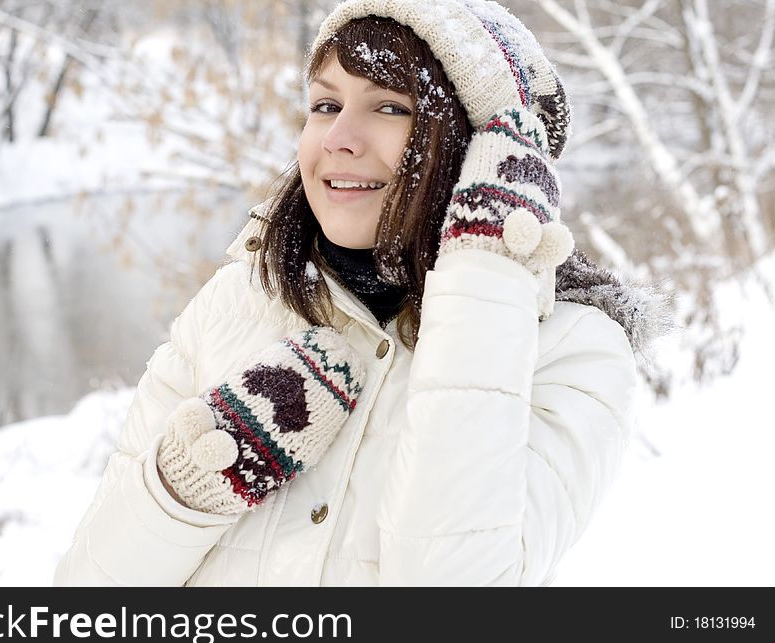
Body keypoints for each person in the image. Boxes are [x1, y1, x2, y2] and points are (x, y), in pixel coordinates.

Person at [54, 0, 668, 587]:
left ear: (480, 150)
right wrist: (185, 492)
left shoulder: (572, 349)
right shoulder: (236, 302)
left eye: (391, 108)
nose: (338, 138)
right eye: (324, 104)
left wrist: (483, 275)